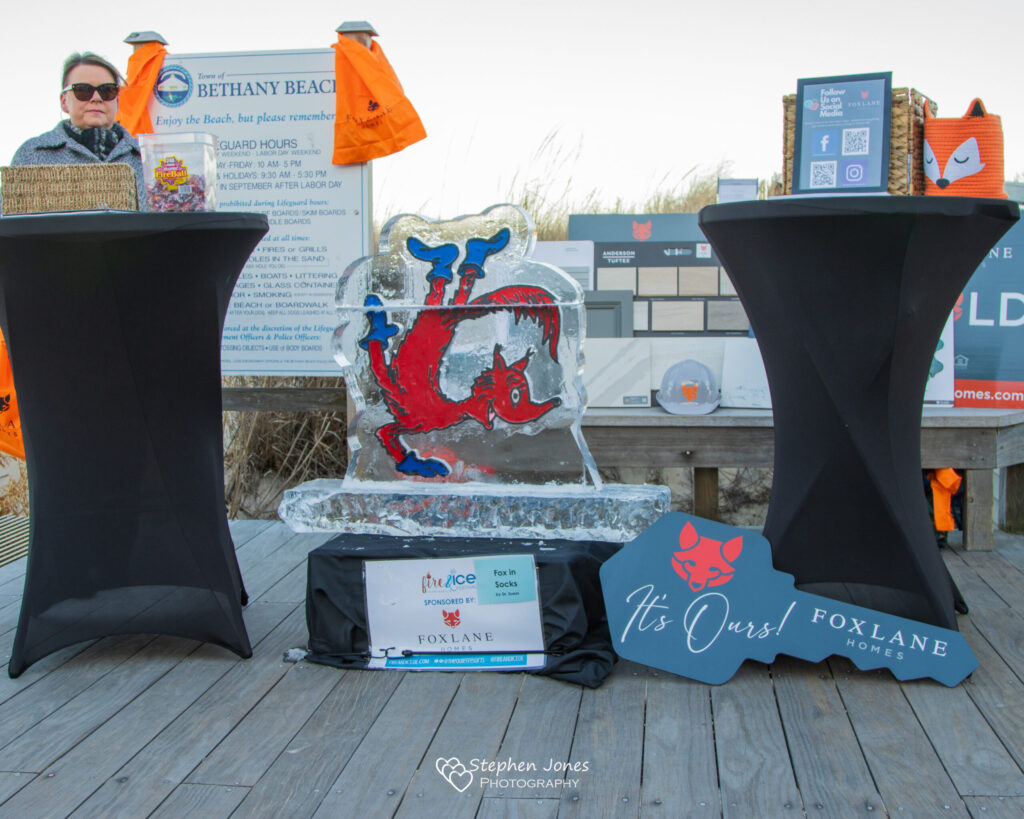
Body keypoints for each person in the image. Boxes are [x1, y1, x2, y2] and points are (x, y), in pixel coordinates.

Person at [9, 52, 146, 207]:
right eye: (83, 90)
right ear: (64, 102)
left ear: (118, 101)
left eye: (107, 90)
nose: (96, 98)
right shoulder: (32, 155)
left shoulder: (147, 159)